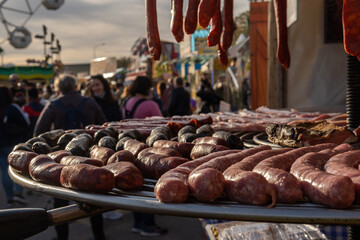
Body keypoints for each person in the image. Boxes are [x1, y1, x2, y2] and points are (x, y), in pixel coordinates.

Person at [34, 74, 107, 240]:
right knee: (93, 198)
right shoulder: (89, 102)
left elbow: (39, 132)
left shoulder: (53, 105)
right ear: (75, 86)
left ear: (59, 88)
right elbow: (104, 126)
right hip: (90, 156)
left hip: (62, 159)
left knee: (60, 201)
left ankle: (62, 237)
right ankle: (99, 235)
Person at [121, 76, 167, 237]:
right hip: (147, 150)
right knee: (148, 186)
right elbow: (162, 126)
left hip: (130, 148)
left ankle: (137, 222)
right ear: (147, 88)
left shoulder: (127, 102)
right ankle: (148, 224)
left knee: (134, 185)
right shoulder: (150, 104)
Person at [0, 86, 29, 207]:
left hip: (0, 144)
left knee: (4, 170)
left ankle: (10, 197)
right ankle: (18, 192)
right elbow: (26, 122)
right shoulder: (13, 107)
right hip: (13, 143)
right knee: (18, 167)